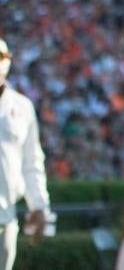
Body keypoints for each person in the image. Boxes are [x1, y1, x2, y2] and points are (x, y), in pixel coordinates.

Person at [0, 38, 50, 270]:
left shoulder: (22, 107)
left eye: (1, 57)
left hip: (5, 218)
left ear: (8, 61)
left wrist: (39, 205)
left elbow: (32, 162)